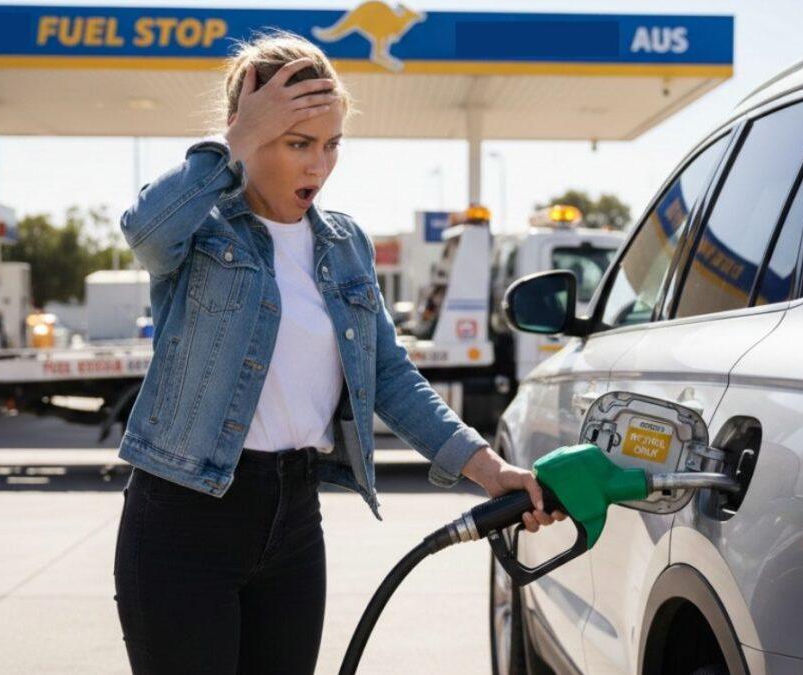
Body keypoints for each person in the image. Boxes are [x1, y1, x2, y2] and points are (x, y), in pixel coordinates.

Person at [112, 31, 564, 674]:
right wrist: (236, 138)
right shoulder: (202, 229)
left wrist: (492, 470)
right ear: (247, 131)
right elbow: (145, 232)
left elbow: (389, 374)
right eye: (297, 143)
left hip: (293, 521)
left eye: (330, 145)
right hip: (183, 521)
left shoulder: (344, 243)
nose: (318, 167)